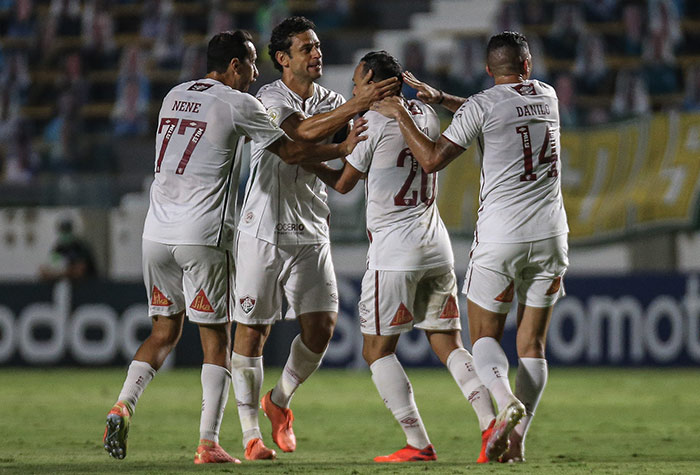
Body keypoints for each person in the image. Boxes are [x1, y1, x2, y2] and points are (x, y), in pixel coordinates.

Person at [102, 29, 368, 465]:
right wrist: (342, 146)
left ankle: (123, 404)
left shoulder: (174, 95)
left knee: (163, 332)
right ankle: (208, 443)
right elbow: (289, 149)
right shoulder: (241, 101)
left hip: (156, 233)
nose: (253, 74)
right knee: (217, 342)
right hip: (203, 234)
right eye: (248, 65)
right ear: (233, 66)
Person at [372, 31, 569, 463]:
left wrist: (399, 112)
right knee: (532, 345)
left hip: (502, 238)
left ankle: (503, 401)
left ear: (487, 70)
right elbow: (496, 114)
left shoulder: (484, 104)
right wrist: (441, 98)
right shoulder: (548, 96)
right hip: (552, 236)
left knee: (483, 337)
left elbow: (431, 158)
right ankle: (516, 442)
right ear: (527, 66)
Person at [303, 50, 497, 464]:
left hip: (394, 251)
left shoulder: (370, 122)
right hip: (435, 246)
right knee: (447, 341)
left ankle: (418, 443)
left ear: (372, 79)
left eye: (357, 82)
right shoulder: (425, 112)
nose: (353, 90)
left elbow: (342, 184)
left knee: (376, 351)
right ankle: (489, 422)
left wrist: (307, 159)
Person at [230, 16, 399, 461]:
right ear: (283, 59)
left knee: (322, 329)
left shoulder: (330, 99)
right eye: (307, 48)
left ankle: (279, 401)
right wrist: (346, 129)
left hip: (310, 229)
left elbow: (332, 159)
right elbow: (296, 136)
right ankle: (250, 436)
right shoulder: (268, 96)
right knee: (252, 333)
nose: (317, 53)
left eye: (319, 46)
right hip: (262, 230)